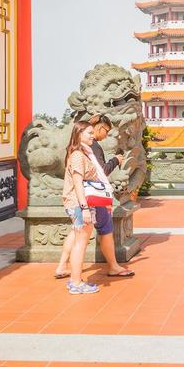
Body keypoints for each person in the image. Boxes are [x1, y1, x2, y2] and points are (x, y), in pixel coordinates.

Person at [55, 115, 134, 279]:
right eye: (105, 130)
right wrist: (115, 160)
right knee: (94, 235)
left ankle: (63, 266)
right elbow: (97, 174)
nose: (102, 135)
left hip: (85, 200)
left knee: (77, 234)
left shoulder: (86, 150)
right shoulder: (85, 151)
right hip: (87, 201)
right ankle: (80, 280)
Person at [59, 121, 105, 294]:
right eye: (89, 133)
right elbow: (78, 183)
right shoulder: (78, 155)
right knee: (80, 243)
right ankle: (76, 283)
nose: (93, 136)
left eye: (93, 133)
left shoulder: (84, 153)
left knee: (81, 242)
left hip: (82, 203)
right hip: (79, 204)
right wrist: (85, 208)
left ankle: (75, 280)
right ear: (78, 134)